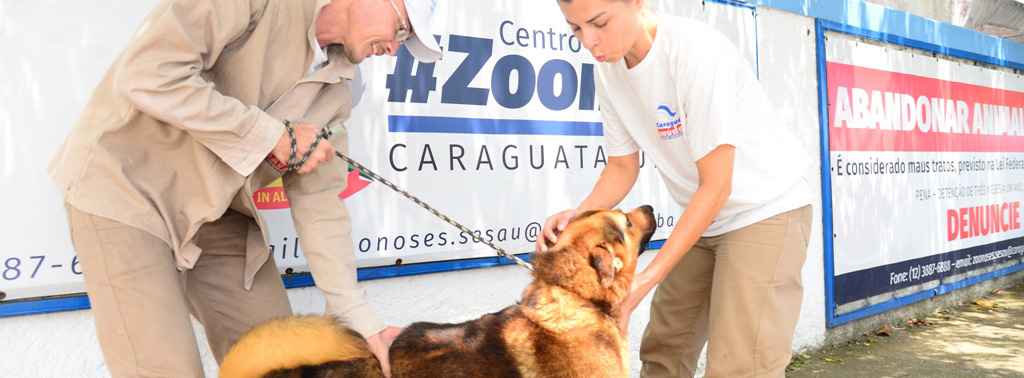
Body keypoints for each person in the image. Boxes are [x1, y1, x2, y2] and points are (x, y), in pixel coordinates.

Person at [48, 0, 443, 376]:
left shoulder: (338, 92)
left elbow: (319, 203)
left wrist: (358, 318)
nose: (394, 49)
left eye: (405, 41)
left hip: (217, 214)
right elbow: (149, 74)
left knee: (284, 365)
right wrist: (268, 136)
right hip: (126, 188)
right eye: (402, 28)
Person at [540, 0, 813, 376]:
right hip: (704, 215)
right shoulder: (608, 72)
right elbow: (622, 167)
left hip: (763, 209)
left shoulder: (695, 53)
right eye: (575, 29)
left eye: (599, 23)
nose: (588, 41)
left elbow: (717, 185)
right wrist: (576, 220)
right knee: (666, 346)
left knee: (741, 364)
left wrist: (644, 279)